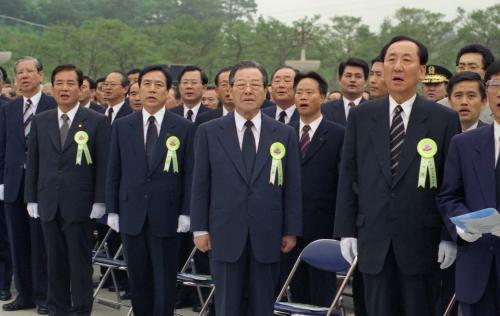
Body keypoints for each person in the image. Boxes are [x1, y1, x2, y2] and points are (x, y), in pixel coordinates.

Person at [334, 35, 460, 316]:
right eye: (391, 60)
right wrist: (346, 231)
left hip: (422, 243)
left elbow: (451, 182)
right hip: (373, 240)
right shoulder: (363, 116)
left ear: (422, 69)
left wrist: (447, 235)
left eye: (406, 60)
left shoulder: (443, 119)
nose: (398, 67)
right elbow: (348, 174)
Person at [191, 60, 302, 315]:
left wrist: (291, 229)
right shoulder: (209, 131)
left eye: (255, 85)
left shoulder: (284, 133)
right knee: (227, 305)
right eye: (241, 84)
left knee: (263, 306)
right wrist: (199, 227)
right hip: (224, 233)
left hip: (269, 233)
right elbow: (200, 183)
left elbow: (292, 186)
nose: (248, 90)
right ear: (229, 90)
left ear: (266, 91)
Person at [106, 65, 194, 315]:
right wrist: (113, 208)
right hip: (132, 212)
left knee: (165, 280)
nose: (152, 89)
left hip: (167, 215)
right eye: (147, 84)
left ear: (168, 91)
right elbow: (114, 169)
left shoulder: (184, 127)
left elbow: (190, 174)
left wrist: (186, 212)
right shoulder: (123, 126)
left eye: (158, 85)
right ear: (137, 90)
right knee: (138, 279)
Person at [24, 64, 110, 315]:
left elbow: (104, 164)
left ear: (81, 88)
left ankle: (81, 309)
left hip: (81, 205)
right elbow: (34, 163)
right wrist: (32, 198)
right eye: (59, 83)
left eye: (70, 83)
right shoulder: (41, 121)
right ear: (51, 87)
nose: (64, 88)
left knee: (80, 263)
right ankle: (56, 309)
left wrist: (99, 200)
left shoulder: (97, 121)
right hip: (49, 202)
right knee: (54, 262)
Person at [436, 60, 500, 316]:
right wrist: (462, 226)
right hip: (477, 264)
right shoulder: (464, 143)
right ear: (488, 94)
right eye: (496, 85)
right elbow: (449, 195)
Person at [285, 71, 345, 305]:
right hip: (289, 225)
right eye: (299, 92)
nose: (303, 97)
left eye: (309, 92)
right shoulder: (283, 131)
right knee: (292, 288)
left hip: (323, 223)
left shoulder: (339, 133)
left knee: (321, 290)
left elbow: (342, 181)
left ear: (322, 96)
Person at [0, 56, 54, 315]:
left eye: (29, 71)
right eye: (19, 72)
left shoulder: (53, 106)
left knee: (41, 242)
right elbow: (2, 147)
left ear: (40, 75)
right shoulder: (8, 108)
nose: (24, 76)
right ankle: (24, 294)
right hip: (13, 185)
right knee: (17, 241)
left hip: (43, 186)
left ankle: (44, 296)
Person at [456, 44, 495, 123]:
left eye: (472, 67)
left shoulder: (496, 106)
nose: (465, 72)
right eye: (461, 67)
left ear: (487, 71)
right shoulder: (442, 106)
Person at [322, 58, 368, 126]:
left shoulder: (374, 110)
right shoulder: (325, 109)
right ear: (339, 79)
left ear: (366, 82)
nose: (352, 80)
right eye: (348, 76)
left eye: (358, 76)